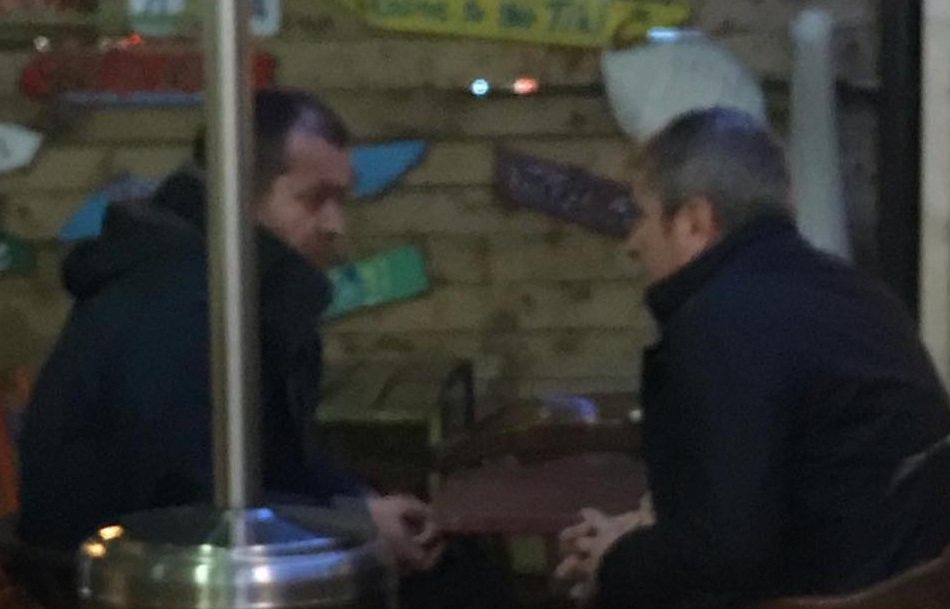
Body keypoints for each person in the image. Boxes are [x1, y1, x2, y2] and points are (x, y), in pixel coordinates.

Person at [16, 88, 443, 579]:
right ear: (239, 192)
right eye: (315, 199)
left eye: (341, 200)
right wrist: (355, 521)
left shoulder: (239, 293)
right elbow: (185, 501)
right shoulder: (174, 301)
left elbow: (276, 462)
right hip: (121, 580)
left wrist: (363, 507)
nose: (335, 226)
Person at [556, 107, 950, 609]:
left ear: (694, 222)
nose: (633, 243)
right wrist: (636, 536)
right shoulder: (859, 294)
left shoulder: (718, 322)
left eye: (641, 214)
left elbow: (721, 555)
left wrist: (615, 561)